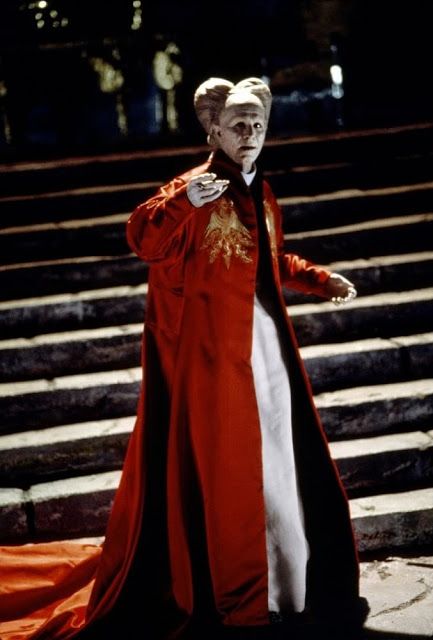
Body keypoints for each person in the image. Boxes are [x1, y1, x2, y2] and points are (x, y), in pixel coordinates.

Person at [0, 77, 367, 640]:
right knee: (231, 468)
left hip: (265, 346)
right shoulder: (193, 187)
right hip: (214, 356)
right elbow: (142, 238)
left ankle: (288, 587)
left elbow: (269, 259)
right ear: (214, 130)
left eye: (258, 125)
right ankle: (241, 594)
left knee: (277, 459)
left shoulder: (264, 191)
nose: (249, 133)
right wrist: (182, 201)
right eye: (238, 124)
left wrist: (320, 279)